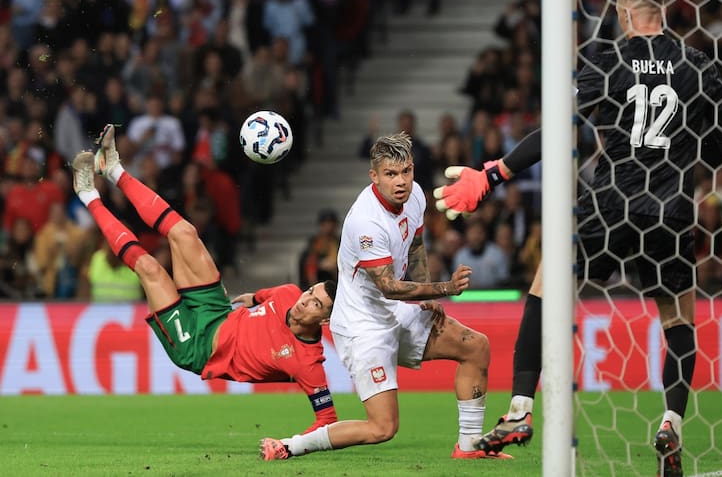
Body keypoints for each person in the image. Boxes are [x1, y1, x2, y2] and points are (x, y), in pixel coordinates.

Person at [433, 0, 722, 477]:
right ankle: (669, 425)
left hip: (609, 204)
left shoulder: (609, 59)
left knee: (545, 286)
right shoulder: (699, 66)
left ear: (623, 16)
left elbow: (560, 124)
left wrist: (496, 172)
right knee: (678, 321)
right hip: (670, 212)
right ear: (665, 10)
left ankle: (519, 411)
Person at [71, 124, 339, 435]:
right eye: (310, 291)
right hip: (216, 311)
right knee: (184, 233)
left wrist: (289, 446)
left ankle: (88, 194)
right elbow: (264, 296)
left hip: (198, 348)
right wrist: (251, 299)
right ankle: (114, 168)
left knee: (150, 268)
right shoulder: (289, 293)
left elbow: (327, 421)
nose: (305, 299)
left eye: (315, 303)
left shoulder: (308, 363)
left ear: (322, 322)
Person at [259, 132, 509, 461]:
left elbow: (416, 245)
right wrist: (444, 289)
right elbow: (388, 285)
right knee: (383, 428)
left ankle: (469, 447)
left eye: (406, 171)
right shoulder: (366, 222)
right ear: (374, 176)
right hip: (363, 328)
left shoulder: (416, 196)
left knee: (476, 346)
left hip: (394, 312)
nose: (401, 181)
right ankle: (289, 446)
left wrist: (425, 295)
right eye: (390, 174)